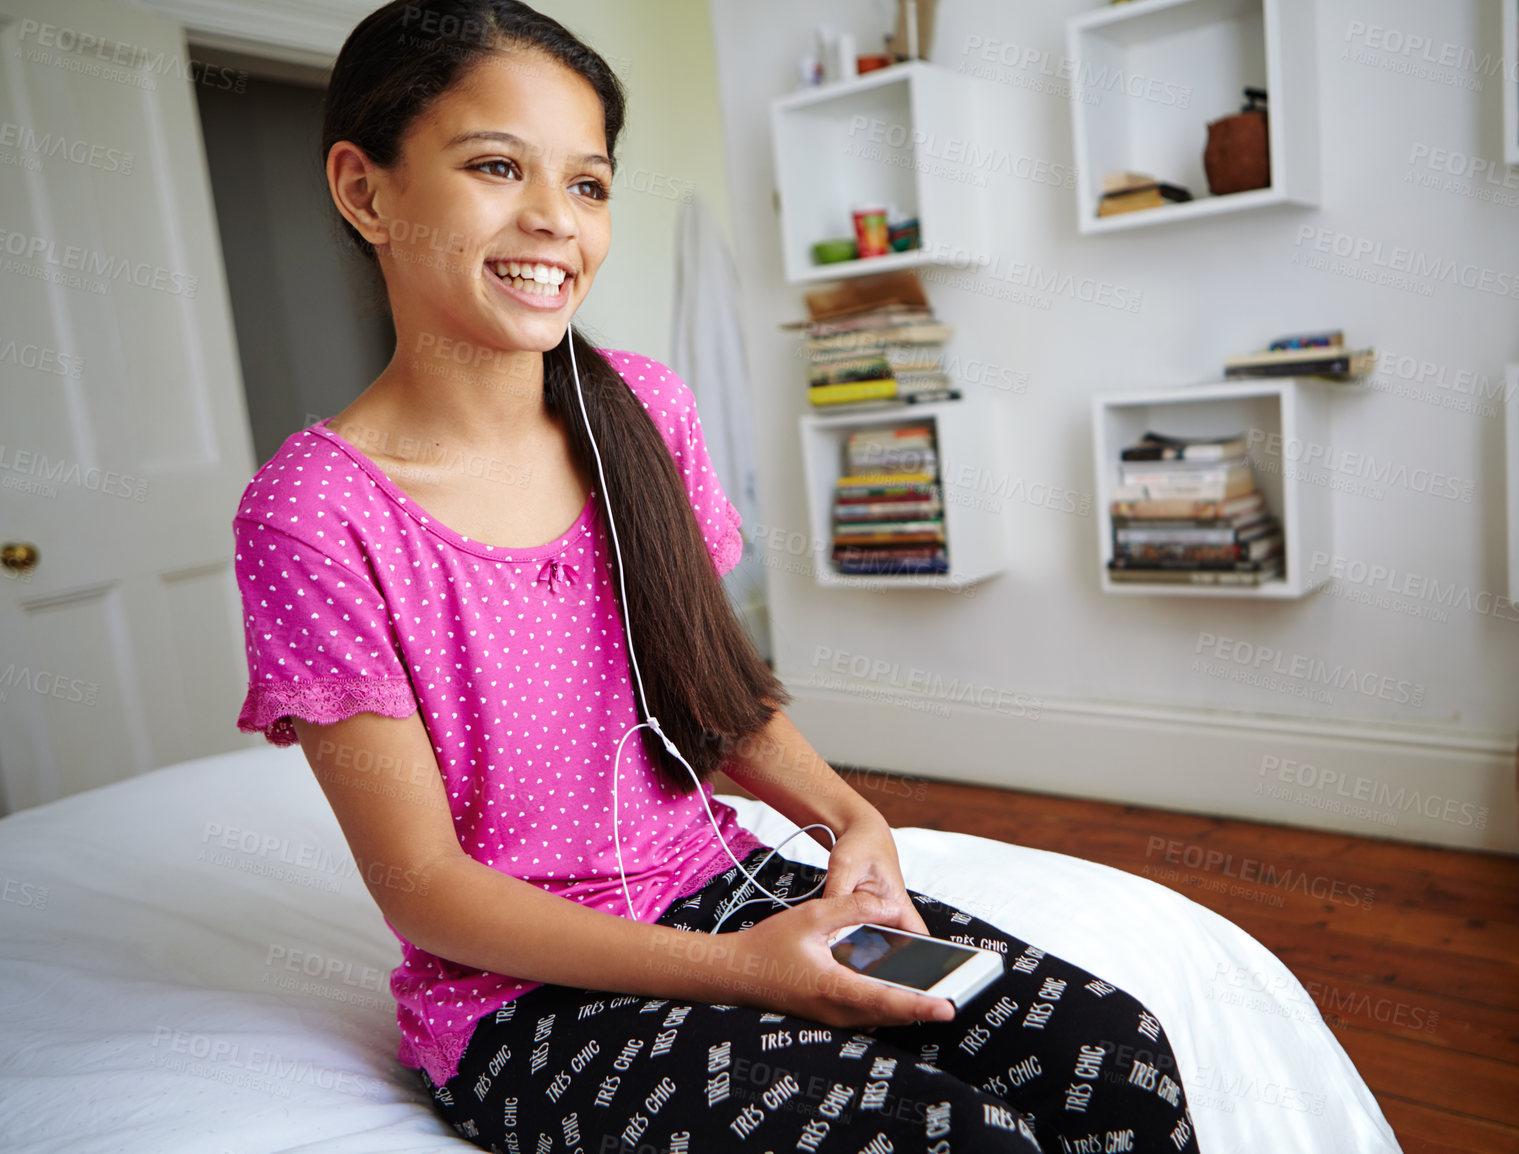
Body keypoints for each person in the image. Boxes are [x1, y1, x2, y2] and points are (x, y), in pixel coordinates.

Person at [230, 1, 1201, 1150]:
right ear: (365, 190)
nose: (554, 221)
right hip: (527, 997)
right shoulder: (313, 514)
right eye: (497, 165)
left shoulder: (641, 410)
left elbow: (712, 698)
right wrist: (740, 973)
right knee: (952, 1136)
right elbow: (424, 887)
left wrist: (847, 813)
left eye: (588, 185)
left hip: (728, 884)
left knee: (1115, 1052)